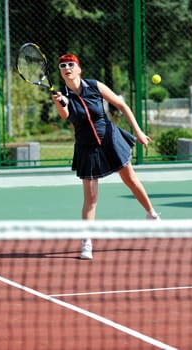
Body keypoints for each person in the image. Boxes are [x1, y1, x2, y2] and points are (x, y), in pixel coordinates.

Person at [52, 54, 160, 260]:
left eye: (70, 64)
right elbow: (65, 114)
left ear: (78, 69)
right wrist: (60, 102)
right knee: (91, 198)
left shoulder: (94, 86)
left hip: (110, 139)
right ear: (61, 72)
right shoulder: (62, 94)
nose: (67, 68)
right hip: (87, 147)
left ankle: (151, 214)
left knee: (131, 180)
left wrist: (138, 132)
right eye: (62, 66)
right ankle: (87, 242)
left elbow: (122, 106)